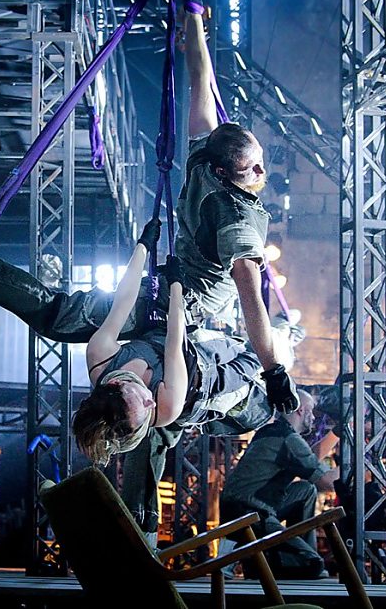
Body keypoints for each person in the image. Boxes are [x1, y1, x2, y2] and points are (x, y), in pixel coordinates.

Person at [0, 0, 299, 415]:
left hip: (160, 298)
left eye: (260, 161)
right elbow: (251, 297)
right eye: (253, 166)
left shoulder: (206, 157)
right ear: (227, 170)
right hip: (176, 312)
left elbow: (200, 80)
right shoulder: (237, 221)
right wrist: (273, 369)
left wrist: (194, 15)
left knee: (66, 321)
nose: (261, 171)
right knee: (72, 326)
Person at [69, 222, 299, 535]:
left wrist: (143, 247)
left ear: (115, 383)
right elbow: (173, 341)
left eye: (141, 400)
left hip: (200, 351)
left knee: (259, 342)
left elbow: (124, 298)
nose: (150, 402)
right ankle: (288, 336)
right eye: (147, 412)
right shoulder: (164, 409)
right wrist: (176, 286)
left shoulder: (100, 356)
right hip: (215, 392)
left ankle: (287, 329)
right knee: (263, 360)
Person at [219, 390, 340, 580]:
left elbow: (310, 458)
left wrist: (337, 433)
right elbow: (326, 482)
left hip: (245, 508)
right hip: (251, 513)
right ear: (301, 410)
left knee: (305, 490)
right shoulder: (289, 440)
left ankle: (276, 559)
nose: (314, 417)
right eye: (311, 411)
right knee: (313, 565)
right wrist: (355, 465)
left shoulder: (271, 432)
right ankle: (287, 562)